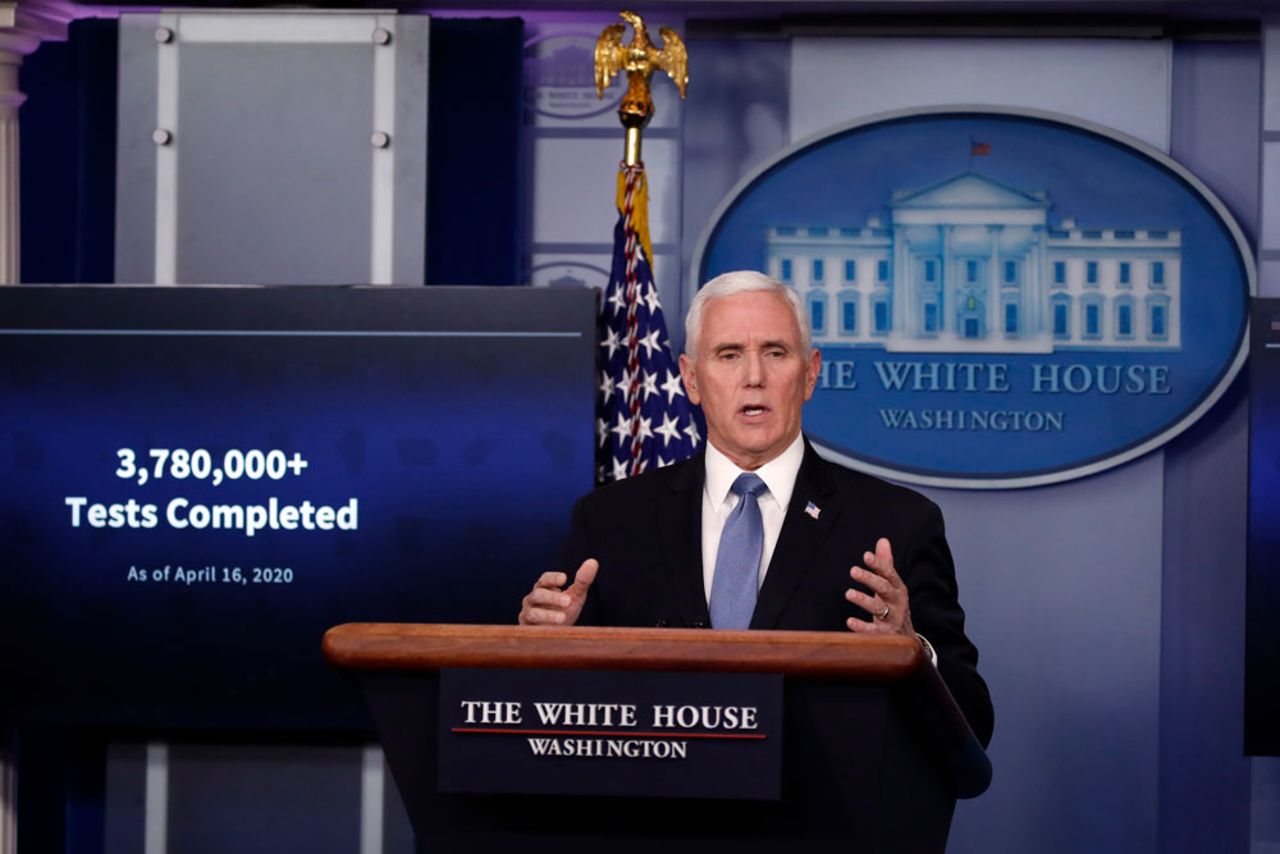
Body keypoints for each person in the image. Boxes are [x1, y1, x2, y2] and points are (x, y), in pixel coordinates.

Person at [518, 270, 993, 747]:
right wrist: (540, 647)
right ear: (690, 378)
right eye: (729, 355)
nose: (754, 377)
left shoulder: (897, 524)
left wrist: (911, 651)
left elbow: (973, 721)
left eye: (775, 353)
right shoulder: (610, 522)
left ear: (809, 374)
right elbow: (545, 717)